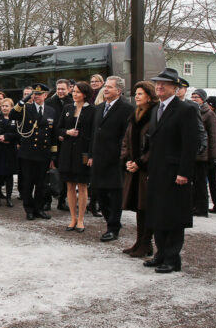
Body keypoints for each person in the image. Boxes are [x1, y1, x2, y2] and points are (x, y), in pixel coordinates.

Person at [143, 68, 199, 273]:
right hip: (158, 172)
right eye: (157, 83)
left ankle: (172, 258)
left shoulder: (185, 110)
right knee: (158, 214)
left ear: (175, 88)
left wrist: (184, 172)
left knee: (173, 216)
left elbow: (190, 144)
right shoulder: (157, 109)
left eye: (164, 84)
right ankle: (160, 254)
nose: (159, 87)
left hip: (175, 173)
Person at [89, 76, 133, 242]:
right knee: (100, 194)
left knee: (114, 196)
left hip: (115, 160)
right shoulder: (99, 108)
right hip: (98, 159)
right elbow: (94, 134)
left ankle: (113, 227)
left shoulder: (126, 109)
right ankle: (110, 221)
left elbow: (126, 137)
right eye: (105, 87)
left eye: (109, 87)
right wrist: (91, 155)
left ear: (119, 91)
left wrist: (121, 157)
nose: (105, 89)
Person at [120, 81, 158, 257]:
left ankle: (146, 243)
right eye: (135, 93)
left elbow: (155, 145)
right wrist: (127, 160)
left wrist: (140, 163)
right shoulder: (134, 115)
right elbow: (127, 140)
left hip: (146, 170)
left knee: (147, 207)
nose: (136, 96)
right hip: (134, 168)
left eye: (140, 93)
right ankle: (139, 241)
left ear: (149, 96)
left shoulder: (154, 115)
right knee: (138, 207)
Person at [9, 83, 57, 220]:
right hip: (28, 153)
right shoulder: (26, 108)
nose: (36, 96)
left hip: (43, 153)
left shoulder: (50, 111)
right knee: (28, 183)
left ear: (46, 96)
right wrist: (24, 100)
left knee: (41, 184)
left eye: (39, 94)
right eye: (34, 94)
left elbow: (52, 134)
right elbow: (12, 114)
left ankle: (39, 209)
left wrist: (53, 154)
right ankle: (29, 209)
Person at [56, 82, 95, 232]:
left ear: (85, 94)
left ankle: (81, 219)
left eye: (78, 92)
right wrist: (67, 132)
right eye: (74, 91)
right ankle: (72, 218)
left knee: (82, 185)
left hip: (83, 152)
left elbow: (93, 134)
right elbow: (58, 129)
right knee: (70, 185)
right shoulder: (67, 108)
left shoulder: (92, 110)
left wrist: (91, 154)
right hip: (67, 152)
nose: (75, 94)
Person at [46, 79, 74, 211]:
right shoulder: (49, 102)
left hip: (67, 143)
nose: (60, 91)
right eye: (58, 89)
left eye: (63, 89)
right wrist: (58, 134)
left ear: (69, 89)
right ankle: (46, 200)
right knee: (49, 172)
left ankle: (62, 200)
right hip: (52, 141)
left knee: (64, 173)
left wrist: (66, 134)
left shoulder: (72, 102)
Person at [189, 89, 216, 218]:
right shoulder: (191, 111)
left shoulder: (209, 114)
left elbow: (213, 136)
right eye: (193, 96)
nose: (194, 99)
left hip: (203, 155)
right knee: (193, 182)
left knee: (201, 183)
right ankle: (194, 205)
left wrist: (213, 156)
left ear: (203, 99)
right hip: (193, 154)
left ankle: (202, 208)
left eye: (197, 97)